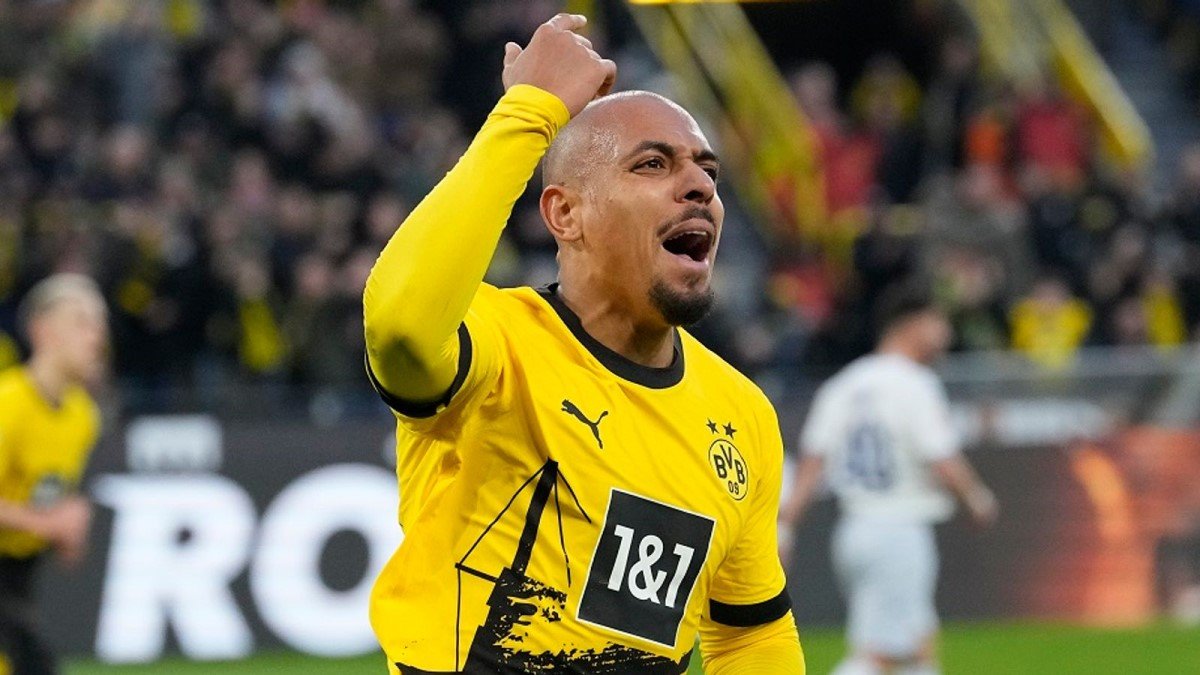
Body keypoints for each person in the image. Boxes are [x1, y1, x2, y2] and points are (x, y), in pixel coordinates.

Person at [363, 13, 804, 674]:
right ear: (566, 214)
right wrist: (528, 113)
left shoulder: (742, 415)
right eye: (653, 164)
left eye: (707, 171)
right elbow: (399, 325)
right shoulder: (497, 345)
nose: (702, 187)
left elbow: (750, 635)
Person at [778, 284, 997, 675]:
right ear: (913, 324)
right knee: (879, 657)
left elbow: (813, 463)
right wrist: (978, 500)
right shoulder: (915, 384)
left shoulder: (844, 384)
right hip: (898, 529)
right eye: (938, 321)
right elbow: (941, 459)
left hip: (855, 529)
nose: (945, 332)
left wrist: (787, 527)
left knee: (917, 651)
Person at [0, 274, 108, 675]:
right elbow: (43, 518)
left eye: (100, 324)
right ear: (42, 330)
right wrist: (47, 523)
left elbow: (46, 496)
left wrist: (67, 528)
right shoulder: (9, 402)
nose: (96, 337)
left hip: (17, 577)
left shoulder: (83, 415)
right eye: (82, 321)